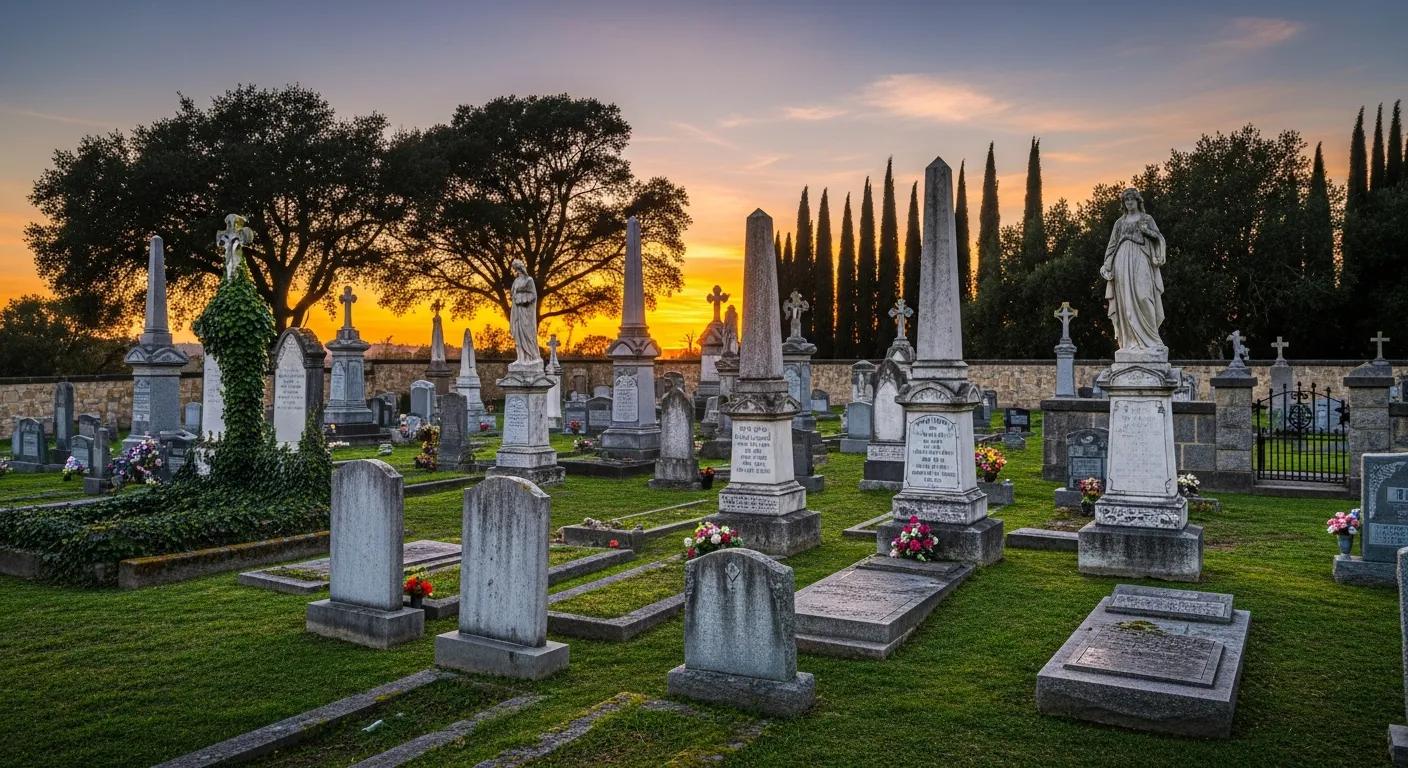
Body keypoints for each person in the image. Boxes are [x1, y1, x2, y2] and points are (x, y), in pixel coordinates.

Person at [1100, 188, 1167, 355]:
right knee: (1126, 303)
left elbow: (1159, 239)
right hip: (1122, 262)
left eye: (1132, 199)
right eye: (1126, 200)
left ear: (1138, 201)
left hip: (1141, 258)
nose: (1129, 202)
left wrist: (1147, 232)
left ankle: (1152, 340)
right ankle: (1130, 342)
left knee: (1144, 296)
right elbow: (1111, 246)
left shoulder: (1147, 219)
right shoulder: (1119, 223)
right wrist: (1107, 265)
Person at [509, 259, 541, 370]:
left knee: (527, 334)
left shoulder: (529, 280)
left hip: (526, 312)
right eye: (515, 269)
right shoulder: (516, 281)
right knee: (517, 333)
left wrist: (523, 299)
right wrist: (516, 298)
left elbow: (533, 295)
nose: (516, 271)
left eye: (517, 268)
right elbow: (512, 295)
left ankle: (532, 357)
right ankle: (521, 358)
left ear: (521, 268)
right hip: (517, 311)